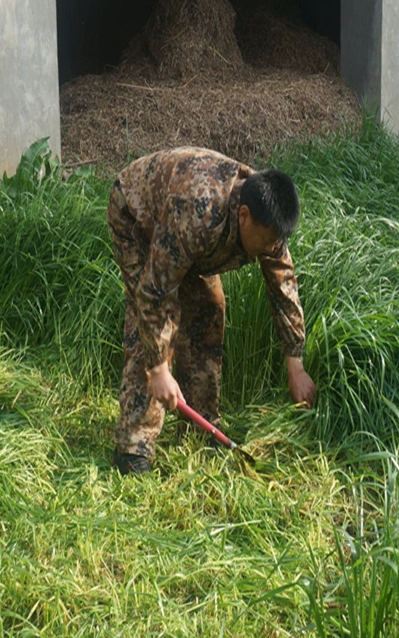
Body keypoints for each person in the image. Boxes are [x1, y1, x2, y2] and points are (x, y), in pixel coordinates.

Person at [107, 146, 317, 475]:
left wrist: (295, 361)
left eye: (275, 243)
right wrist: (160, 368)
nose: (269, 250)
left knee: (210, 307)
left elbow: (283, 283)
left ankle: (202, 425)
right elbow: (153, 294)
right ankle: (133, 447)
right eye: (265, 242)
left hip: (184, 234)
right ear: (244, 216)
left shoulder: (267, 221)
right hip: (136, 214)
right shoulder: (198, 211)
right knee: (151, 322)